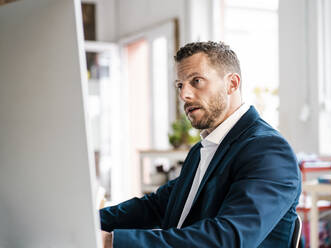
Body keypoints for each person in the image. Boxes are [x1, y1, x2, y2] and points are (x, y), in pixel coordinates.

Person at [100, 41, 301, 248]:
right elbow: (156, 206)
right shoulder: (202, 150)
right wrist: (89, 221)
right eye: (180, 85)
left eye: (196, 81)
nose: (184, 95)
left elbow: (227, 240)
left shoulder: (268, 151)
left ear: (232, 84)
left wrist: (111, 242)